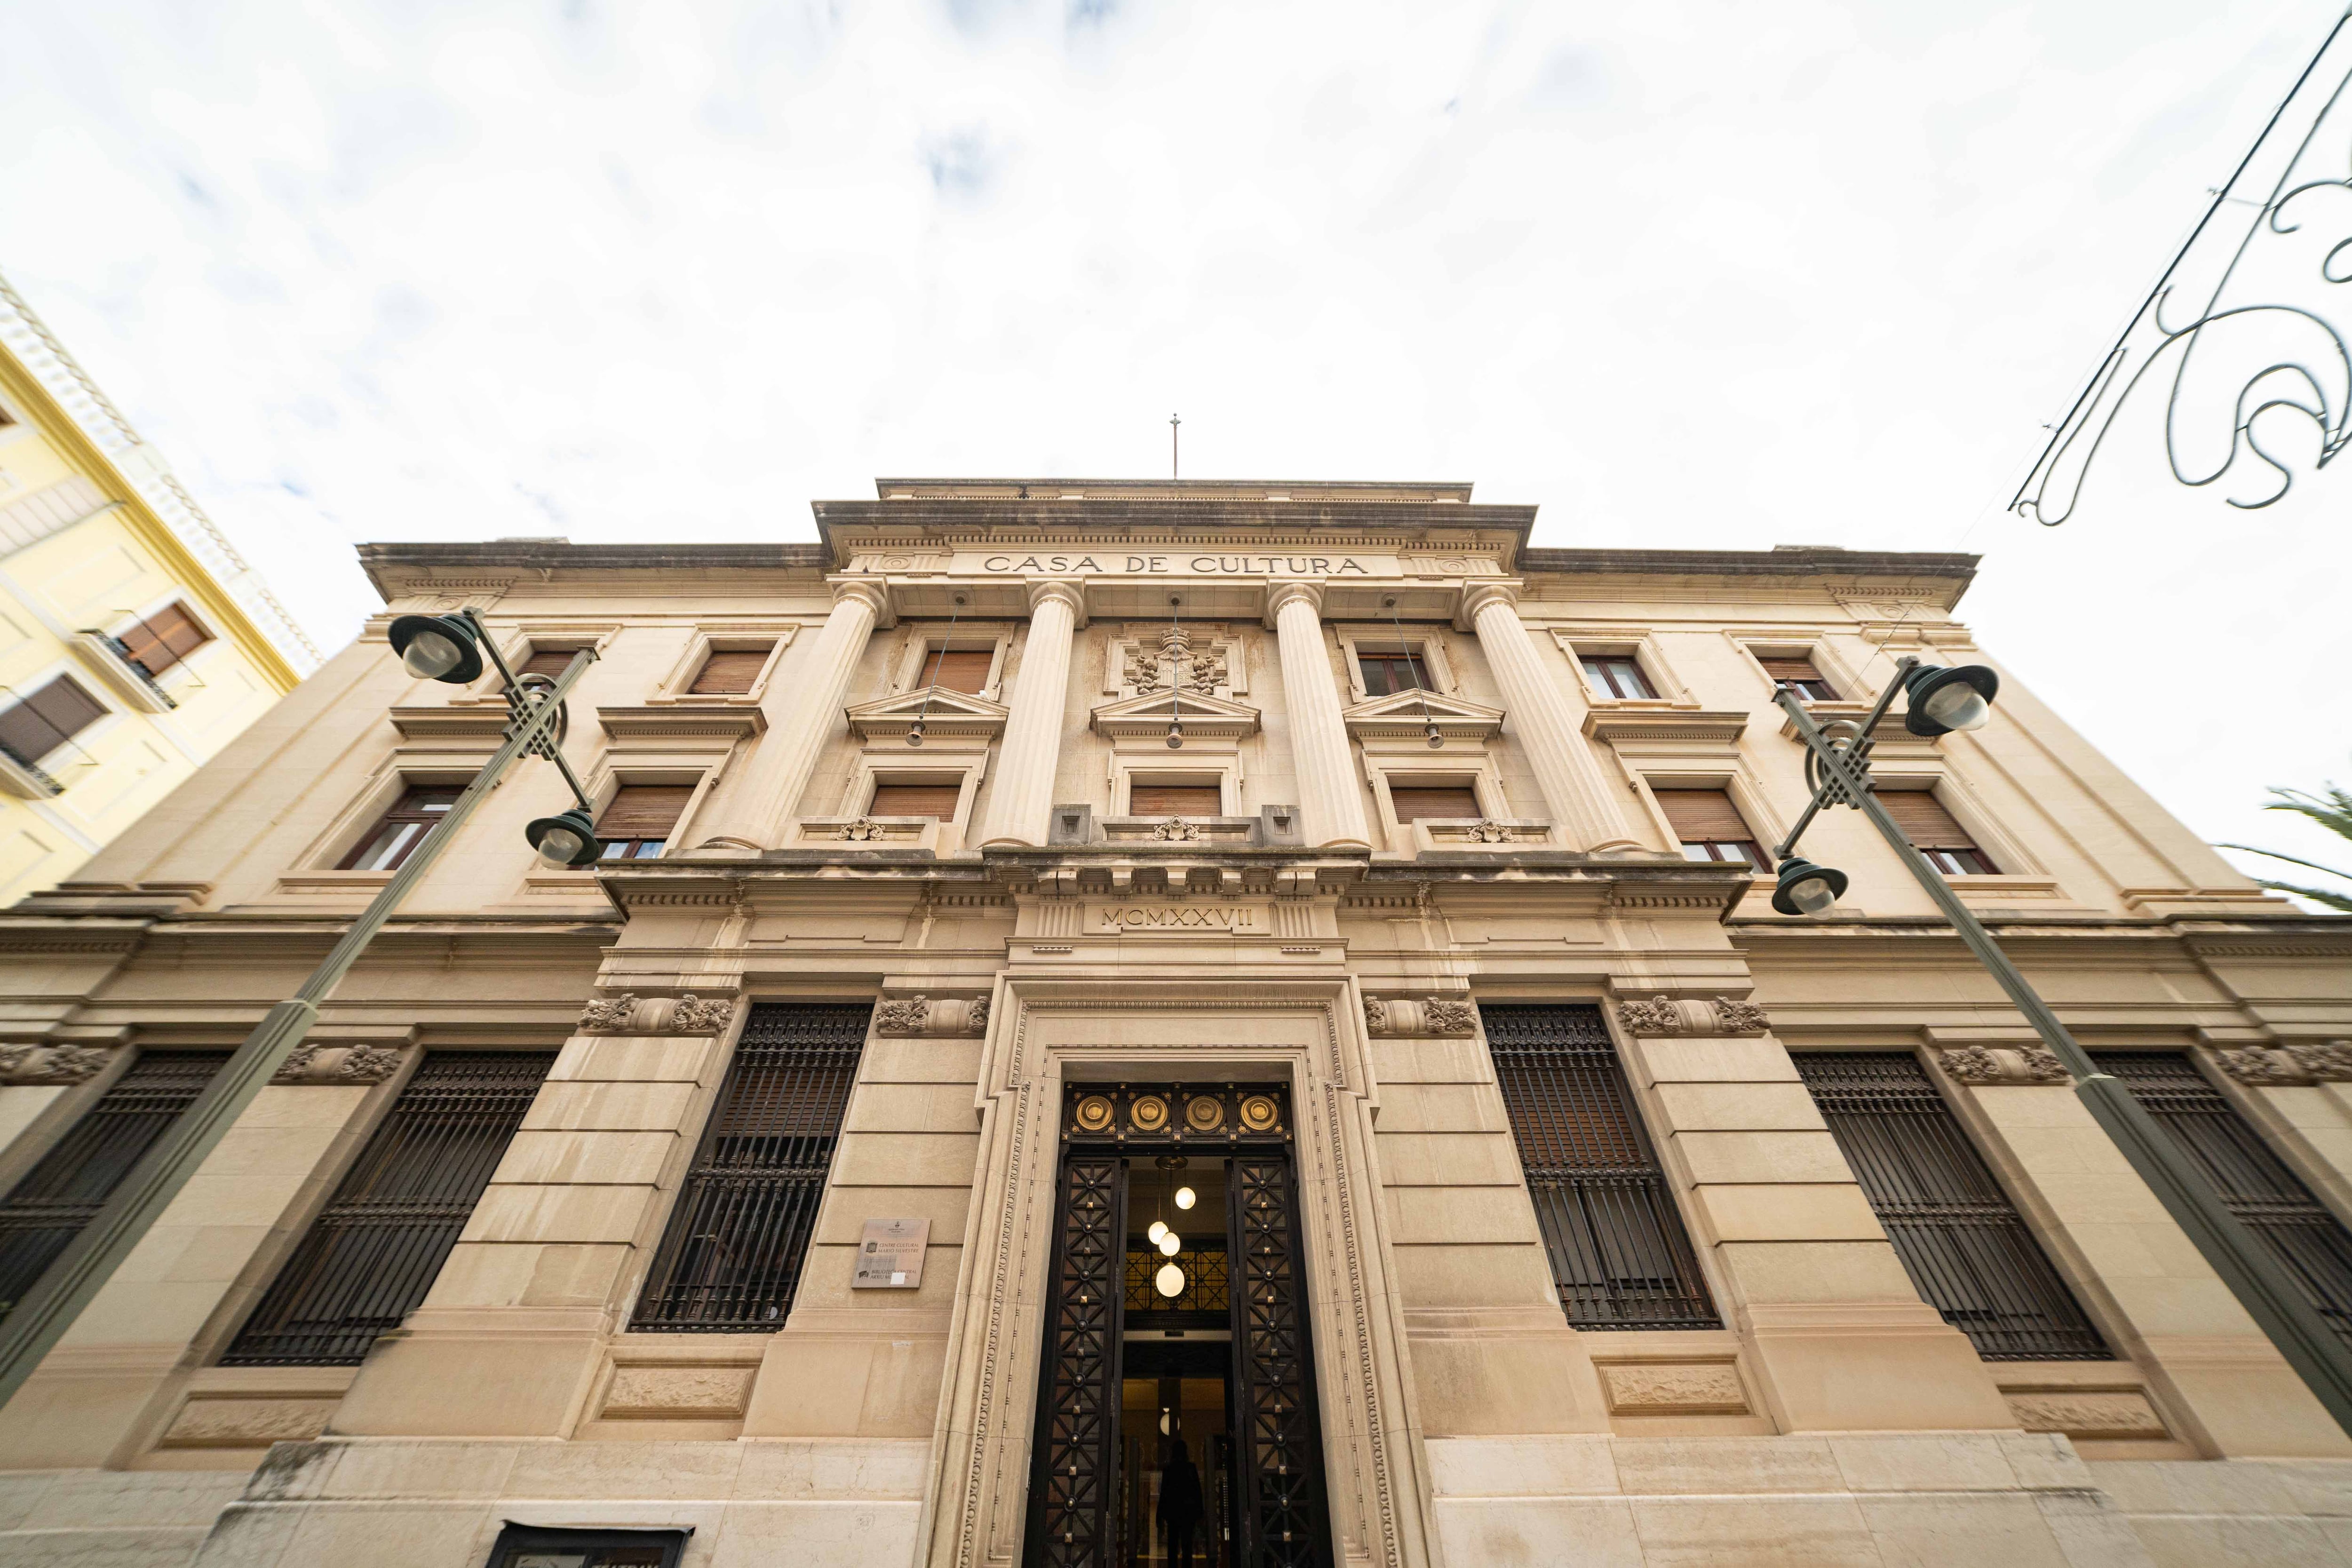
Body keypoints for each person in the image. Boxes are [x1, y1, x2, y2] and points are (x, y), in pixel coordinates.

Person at [1156, 1436, 1205, 1568]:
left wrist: (1159, 1515)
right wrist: (1200, 1513)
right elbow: (1197, 1491)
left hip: (1173, 1513)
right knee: (1187, 1546)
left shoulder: (1169, 1470)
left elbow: (1164, 1494)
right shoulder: (1190, 1468)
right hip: (1188, 1513)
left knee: (1172, 1546)